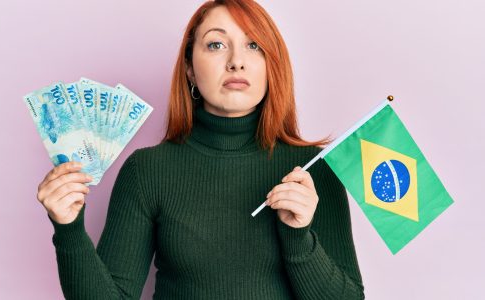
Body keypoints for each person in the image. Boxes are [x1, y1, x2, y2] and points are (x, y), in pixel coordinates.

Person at [36, 0, 365, 299]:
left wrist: (298, 236)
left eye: (253, 45)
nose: (236, 61)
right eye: (216, 44)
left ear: (271, 66)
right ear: (191, 69)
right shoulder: (147, 171)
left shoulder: (313, 169)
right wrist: (68, 229)